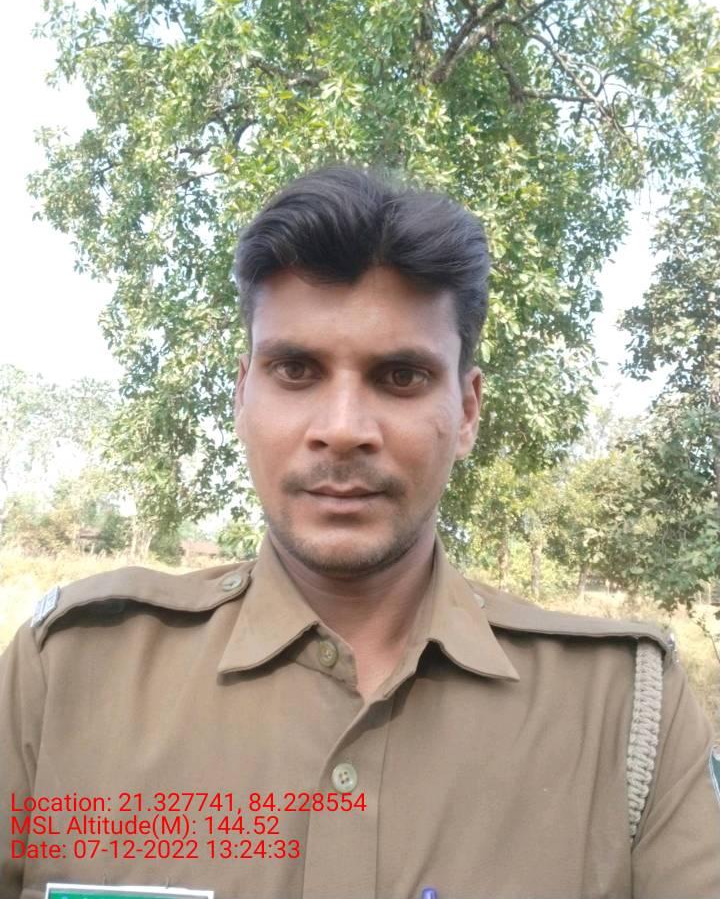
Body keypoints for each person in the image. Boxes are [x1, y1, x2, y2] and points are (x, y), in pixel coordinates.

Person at [1, 164, 718, 899]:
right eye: (296, 370)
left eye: (400, 376)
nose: (343, 430)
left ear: (467, 412)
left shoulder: (625, 710)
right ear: (242, 395)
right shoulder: (67, 674)